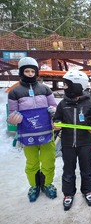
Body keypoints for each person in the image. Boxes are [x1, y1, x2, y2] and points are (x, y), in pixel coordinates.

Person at [7, 57, 57, 203]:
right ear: (21, 72)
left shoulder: (45, 89)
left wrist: (53, 112)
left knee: (48, 160)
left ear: (36, 72)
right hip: (28, 133)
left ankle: (47, 183)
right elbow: (12, 113)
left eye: (32, 71)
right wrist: (14, 118)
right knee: (32, 162)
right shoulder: (15, 92)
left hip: (46, 131)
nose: (29, 74)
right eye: (26, 71)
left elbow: (54, 106)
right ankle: (34, 185)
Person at [53, 70, 91, 211]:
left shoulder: (90, 104)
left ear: (77, 86)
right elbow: (57, 117)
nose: (64, 87)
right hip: (67, 143)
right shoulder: (62, 104)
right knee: (68, 169)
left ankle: (88, 191)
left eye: (67, 85)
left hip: (84, 143)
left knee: (86, 169)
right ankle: (68, 194)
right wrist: (57, 123)